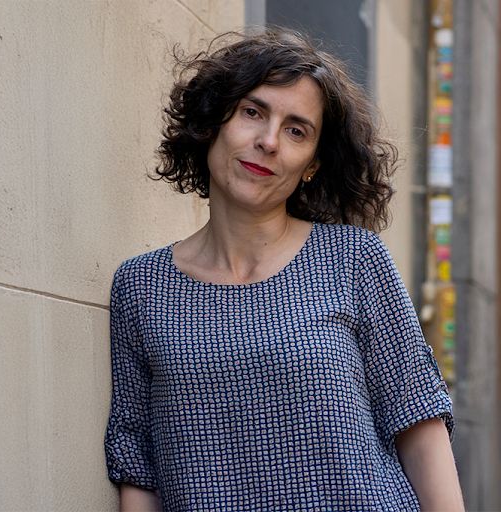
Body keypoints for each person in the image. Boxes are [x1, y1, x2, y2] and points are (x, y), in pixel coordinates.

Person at [104, 28, 464, 512]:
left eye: (297, 131)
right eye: (252, 112)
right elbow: (138, 466)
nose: (269, 141)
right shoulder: (141, 288)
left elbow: (419, 422)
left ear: (312, 164)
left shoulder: (354, 259)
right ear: (213, 122)